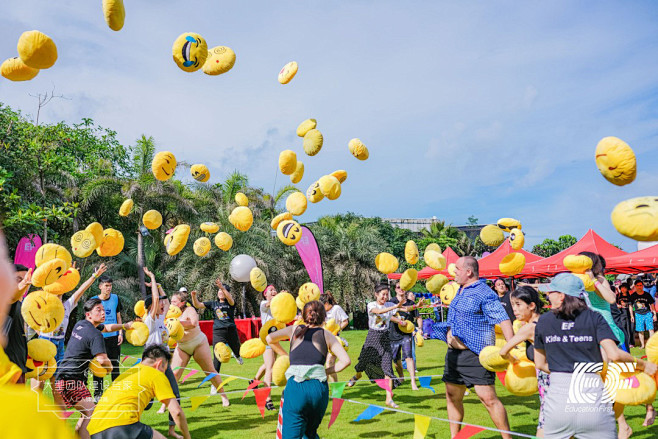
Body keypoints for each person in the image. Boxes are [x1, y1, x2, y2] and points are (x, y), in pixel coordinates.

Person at [533, 273, 658, 439]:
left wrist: (564, 369)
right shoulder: (594, 317)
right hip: (593, 401)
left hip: (558, 404)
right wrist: (643, 365)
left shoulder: (544, 321)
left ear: (562, 295)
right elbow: (614, 354)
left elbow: (540, 364)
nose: (548, 296)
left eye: (551, 292)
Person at [439, 256, 514, 439]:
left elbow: (503, 319)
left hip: (476, 354)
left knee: (488, 399)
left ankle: (507, 438)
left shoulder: (484, 292)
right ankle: (455, 437)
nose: (453, 271)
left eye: (457, 268)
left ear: (468, 272)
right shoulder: (460, 290)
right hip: (454, 355)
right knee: (452, 396)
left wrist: (512, 347)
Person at [267, 300, 350, 439]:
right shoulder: (326, 334)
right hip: (318, 389)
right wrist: (326, 371)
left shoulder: (294, 329)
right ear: (324, 317)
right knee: (309, 434)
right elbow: (346, 361)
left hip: (296, 388)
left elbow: (269, 338)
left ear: (303, 316)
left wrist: (286, 356)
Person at [53, 298, 132, 439]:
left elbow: (107, 328)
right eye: (98, 310)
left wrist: (124, 326)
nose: (103, 313)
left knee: (80, 414)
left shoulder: (80, 324)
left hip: (61, 378)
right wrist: (110, 367)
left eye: (103, 309)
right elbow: (102, 360)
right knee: (92, 412)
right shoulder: (95, 335)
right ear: (88, 314)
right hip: (72, 380)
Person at [87, 344, 191, 439]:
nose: (163, 373)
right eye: (164, 369)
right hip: (123, 425)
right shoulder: (156, 374)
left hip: (94, 431)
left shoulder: (128, 373)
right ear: (159, 364)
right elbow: (176, 412)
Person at [33, 263, 107, 391]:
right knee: (40, 382)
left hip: (60, 344)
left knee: (57, 384)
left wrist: (94, 275)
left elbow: (81, 290)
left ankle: (57, 411)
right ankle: (32, 409)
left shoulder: (67, 305)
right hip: (45, 342)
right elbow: (29, 316)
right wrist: (39, 332)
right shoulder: (45, 304)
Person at [347, 283, 416, 408]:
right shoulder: (371, 305)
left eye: (386, 294)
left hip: (385, 338)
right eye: (383, 294)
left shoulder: (390, 305)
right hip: (372, 338)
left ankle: (389, 398)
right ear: (376, 294)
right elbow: (378, 311)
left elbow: (405, 309)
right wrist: (395, 306)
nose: (385, 297)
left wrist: (417, 306)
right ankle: (357, 376)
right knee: (362, 363)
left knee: (387, 368)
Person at [499, 286, 548, 438]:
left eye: (518, 304)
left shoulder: (529, 329)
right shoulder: (547, 321)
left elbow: (503, 351)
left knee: (545, 427)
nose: (514, 309)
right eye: (512, 304)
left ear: (532, 305)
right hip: (561, 376)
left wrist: (513, 361)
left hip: (550, 381)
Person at [142, 267, 183, 439]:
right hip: (150, 364)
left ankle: (172, 430)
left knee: (175, 395)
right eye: (157, 304)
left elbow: (164, 300)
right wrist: (152, 277)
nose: (161, 306)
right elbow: (159, 298)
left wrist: (157, 285)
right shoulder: (149, 320)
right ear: (151, 306)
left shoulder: (160, 318)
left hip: (163, 363)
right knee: (146, 402)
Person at [170, 289, 230, 406]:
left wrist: (177, 323)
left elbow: (193, 323)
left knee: (210, 371)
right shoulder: (169, 313)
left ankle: (224, 396)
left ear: (182, 302)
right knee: (174, 374)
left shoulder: (189, 309)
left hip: (198, 343)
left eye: (174, 301)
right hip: (182, 346)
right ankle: (165, 404)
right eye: (171, 301)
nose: (172, 304)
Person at [190, 278, 243, 395]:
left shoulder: (230, 303)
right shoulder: (213, 304)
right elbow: (197, 305)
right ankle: (215, 385)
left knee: (237, 350)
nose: (220, 292)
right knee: (217, 358)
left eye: (222, 291)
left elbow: (231, 299)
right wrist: (193, 296)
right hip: (218, 331)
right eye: (218, 291)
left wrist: (222, 287)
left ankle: (237, 355)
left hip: (231, 330)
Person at [91, 274, 123, 400]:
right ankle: (98, 395)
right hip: (99, 338)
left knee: (115, 366)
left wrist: (120, 333)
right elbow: (90, 319)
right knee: (98, 367)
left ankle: (117, 393)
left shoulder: (115, 298)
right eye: (106, 286)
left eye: (110, 286)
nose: (109, 288)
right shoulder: (93, 300)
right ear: (100, 287)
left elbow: (118, 316)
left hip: (114, 338)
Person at [389, 281, 420, 390]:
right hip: (394, 334)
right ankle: (401, 376)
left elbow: (417, 316)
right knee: (396, 360)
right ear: (395, 289)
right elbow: (388, 316)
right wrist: (398, 321)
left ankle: (413, 382)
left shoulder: (411, 302)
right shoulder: (391, 302)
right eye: (398, 287)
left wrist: (418, 329)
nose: (400, 289)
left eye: (402, 287)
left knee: (409, 357)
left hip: (407, 335)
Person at [3, 263, 31, 382]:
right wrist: (23, 283)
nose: (23, 282)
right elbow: (12, 297)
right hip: (8, 370)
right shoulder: (5, 303)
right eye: (18, 279)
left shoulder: (21, 305)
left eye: (26, 279)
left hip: (19, 366)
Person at [253, 284, 278, 410]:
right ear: (265, 294)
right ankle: (267, 399)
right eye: (271, 290)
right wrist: (280, 297)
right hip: (266, 339)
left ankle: (254, 381)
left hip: (276, 339)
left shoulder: (278, 305)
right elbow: (270, 304)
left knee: (270, 364)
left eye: (274, 290)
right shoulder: (263, 304)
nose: (274, 291)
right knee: (270, 368)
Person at [320, 291, 349, 382]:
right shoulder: (321, 312)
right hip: (322, 340)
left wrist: (337, 329)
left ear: (327, 303)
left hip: (334, 340)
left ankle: (335, 388)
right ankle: (325, 387)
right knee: (321, 364)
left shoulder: (336, 309)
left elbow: (345, 321)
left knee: (329, 363)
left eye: (322, 306)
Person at [630, 279, 656, 349]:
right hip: (638, 314)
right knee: (640, 330)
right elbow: (630, 305)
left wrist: (654, 314)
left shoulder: (647, 295)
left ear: (642, 286)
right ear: (635, 286)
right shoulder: (633, 296)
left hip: (648, 313)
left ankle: (652, 345)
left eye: (640, 285)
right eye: (637, 285)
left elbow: (652, 304)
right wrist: (632, 315)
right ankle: (642, 345)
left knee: (651, 329)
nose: (639, 287)